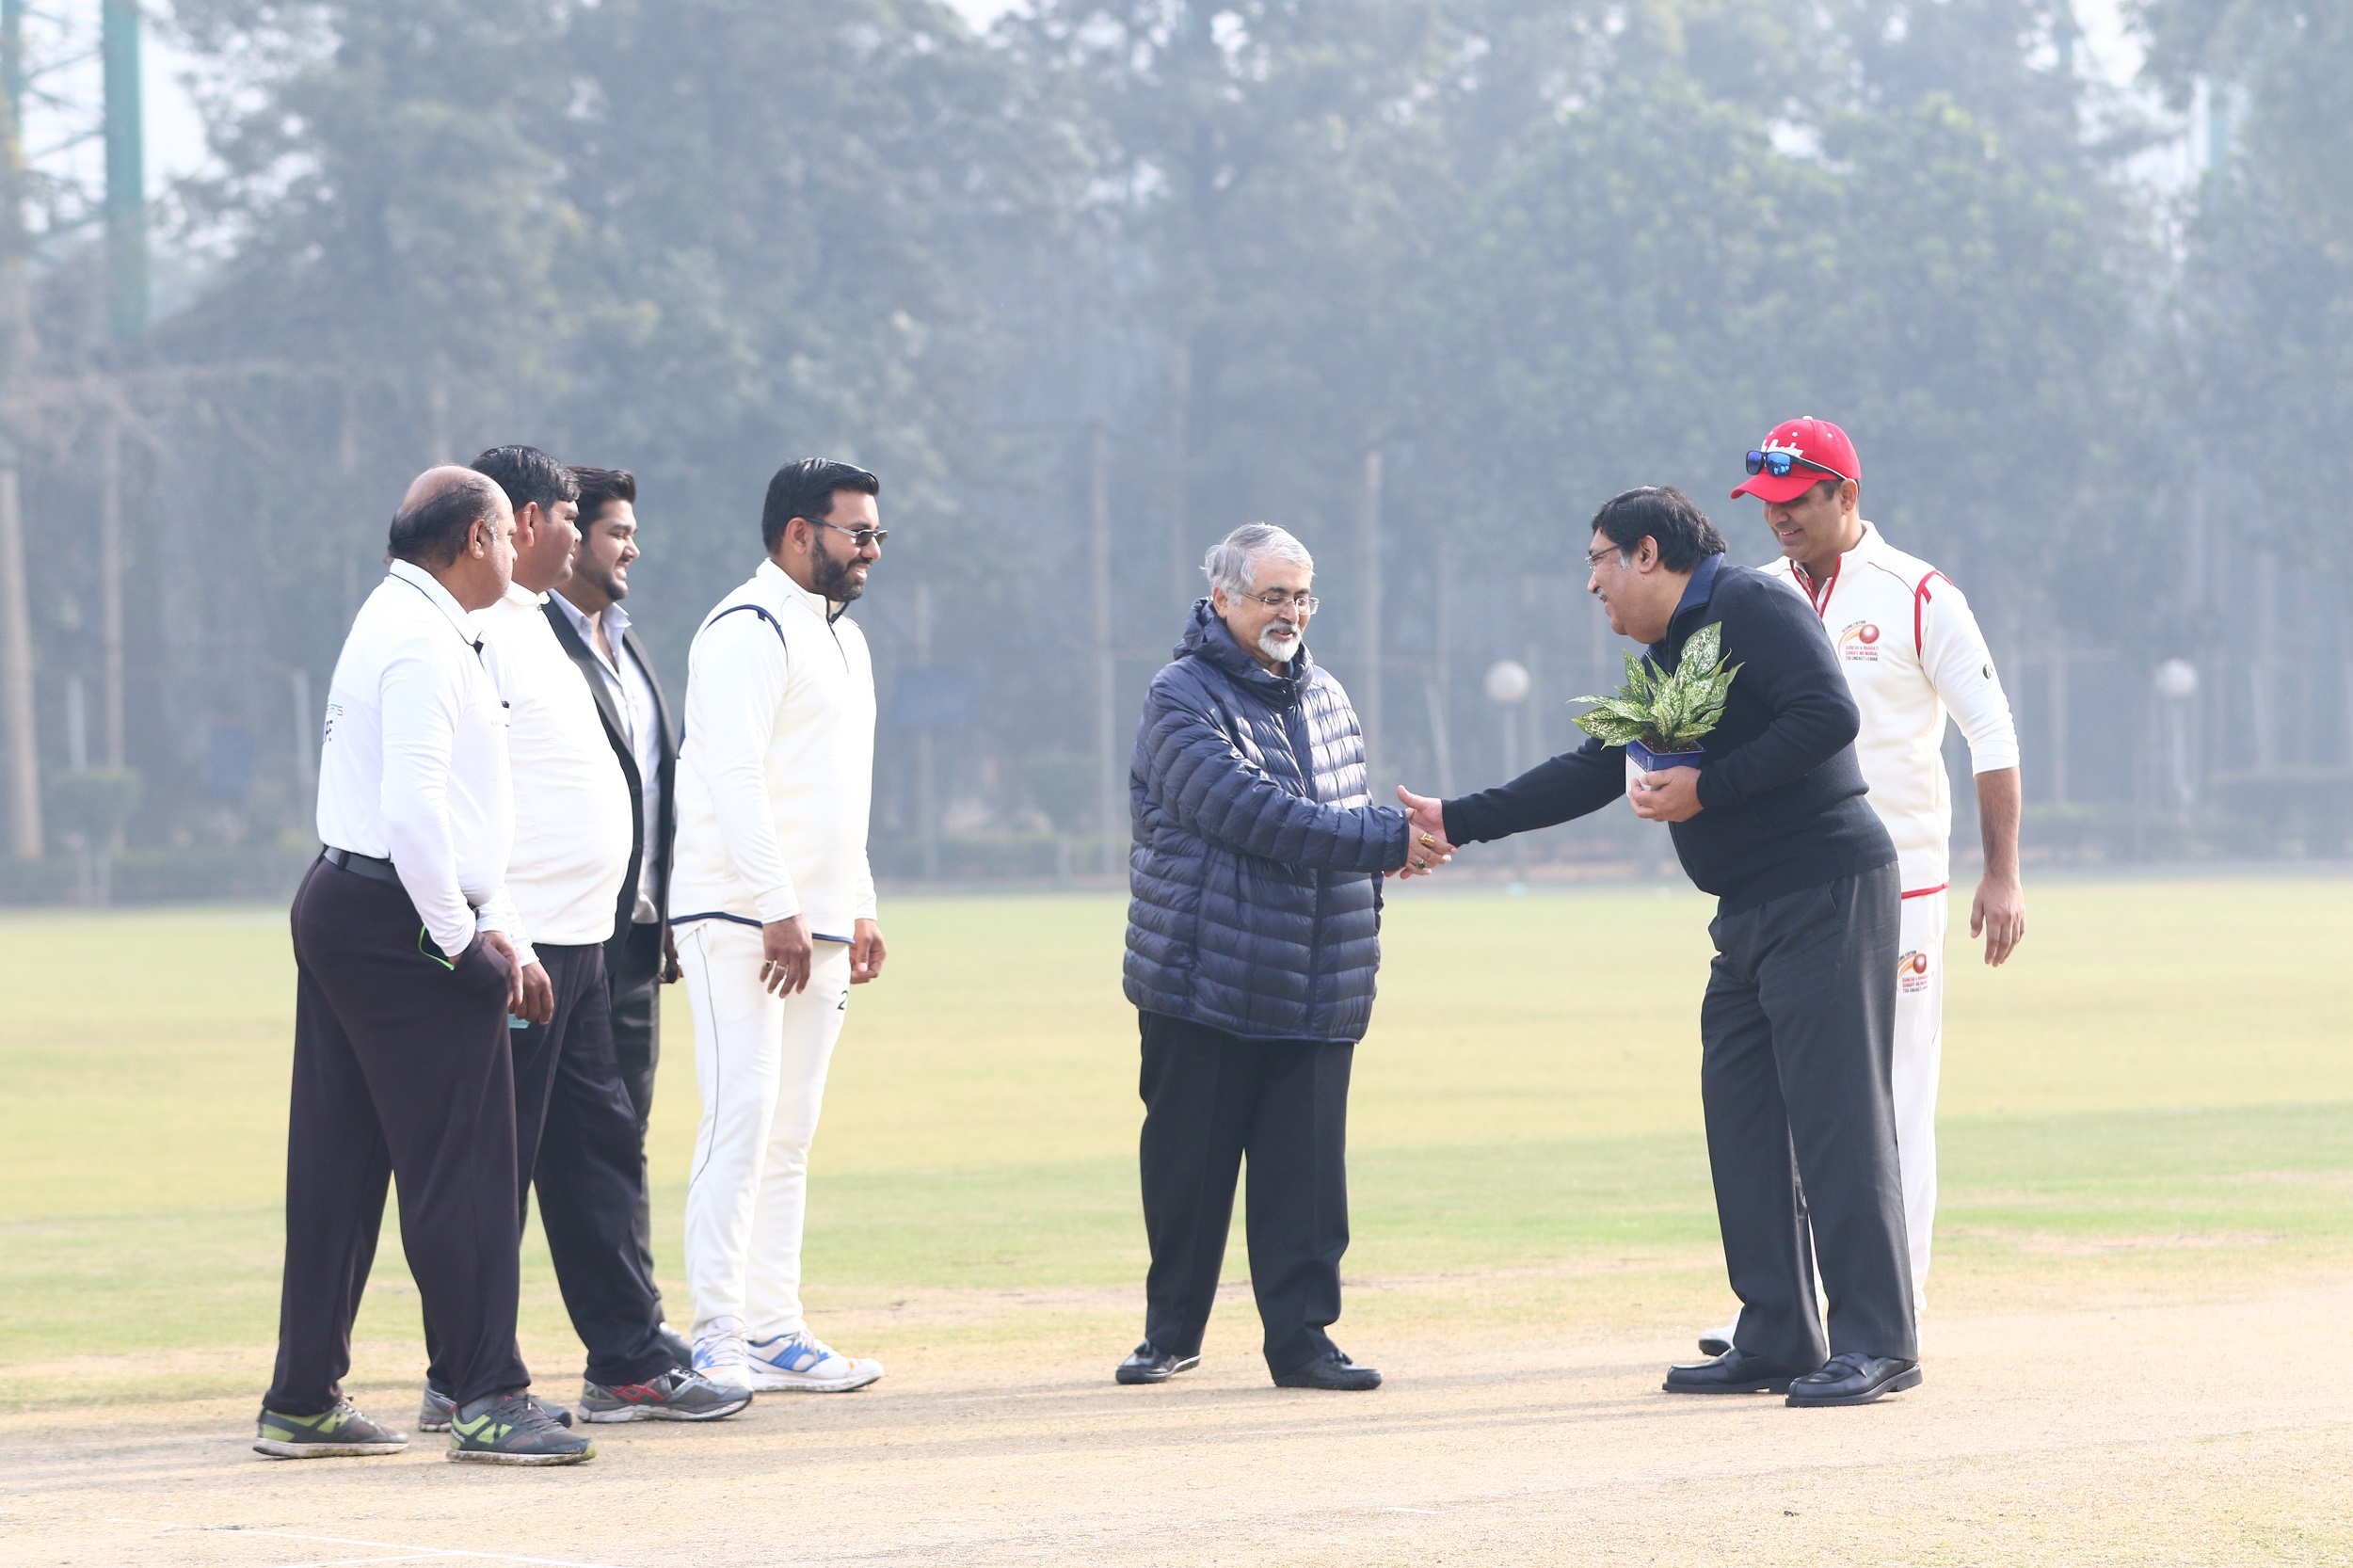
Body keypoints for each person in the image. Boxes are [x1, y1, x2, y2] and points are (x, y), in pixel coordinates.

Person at [1399, 487, 1921, 1407]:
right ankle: (1778, 1334)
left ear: (1647, 552)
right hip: (1750, 912)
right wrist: (1458, 818)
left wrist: (1707, 789)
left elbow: (1827, 717)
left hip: (1825, 892)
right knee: (1743, 1121)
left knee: (1837, 1122)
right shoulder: (1674, 652)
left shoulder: (1751, 604)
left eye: (1597, 561)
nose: (1591, 584)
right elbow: (1600, 767)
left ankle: (1878, 1342)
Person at [256, 466, 592, 1465]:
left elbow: (463, 814)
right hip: (401, 921)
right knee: (468, 1167)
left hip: (351, 903)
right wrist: (462, 941)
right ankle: (488, 1396)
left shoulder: (408, 618)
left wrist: (503, 925)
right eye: (506, 533)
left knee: (340, 1164)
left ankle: (303, 1398)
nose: (516, 549)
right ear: (475, 540)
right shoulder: (422, 640)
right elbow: (414, 812)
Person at [1684, 417, 2022, 1352]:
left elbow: (1990, 732)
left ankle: (1887, 1310)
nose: (1779, 518)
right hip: (1786, 884)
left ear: (1847, 494)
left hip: (1899, 884)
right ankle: (1784, 1307)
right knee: (1789, 1099)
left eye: (1797, 501)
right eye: (1767, 504)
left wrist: (2001, 873)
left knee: (1891, 1094)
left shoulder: (1919, 594)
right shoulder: (1753, 597)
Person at [456, 444, 747, 1428]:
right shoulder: (479, 632)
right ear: (521, 523)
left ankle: (626, 1353)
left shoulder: (541, 623)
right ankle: (467, 1372)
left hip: (591, 941)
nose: (592, 537)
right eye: (576, 520)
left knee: (601, 1150)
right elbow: (462, 795)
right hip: (522, 947)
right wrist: (496, 928)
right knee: (500, 1163)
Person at [1120, 522, 1436, 1395]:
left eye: (1301, 597)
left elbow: (1338, 812)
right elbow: (1250, 813)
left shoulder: (1327, 693)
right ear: (1221, 598)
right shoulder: (1179, 697)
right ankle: (1170, 1334)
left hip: (1321, 974)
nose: (1290, 613)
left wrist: (1387, 847)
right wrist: (1389, 841)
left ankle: (1302, 1343)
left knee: (1307, 1184)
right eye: (1272, 596)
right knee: (1189, 1172)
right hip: (1206, 976)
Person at [671, 457, 890, 1395]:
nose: (871, 550)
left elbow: (839, 788)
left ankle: (773, 1327)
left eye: (877, 534)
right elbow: (734, 777)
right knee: (741, 1116)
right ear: (800, 533)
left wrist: (858, 902)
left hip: (817, 921)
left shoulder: (846, 639)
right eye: (857, 533)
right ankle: (716, 1330)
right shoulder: (746, 626)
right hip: (741, 915)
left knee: (791, 1129)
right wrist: (778, 905)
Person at [544, 464, 685, 1363]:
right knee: (527, 1152)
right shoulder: (529, 644)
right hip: (556, 940)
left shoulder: (627, 645)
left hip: (633, 943)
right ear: (568, 539)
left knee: (621, 1144)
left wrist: (664, 910)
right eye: (616, 533)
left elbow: (653, 789)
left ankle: (637, 1338)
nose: (633, 548)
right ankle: (462, 1365)